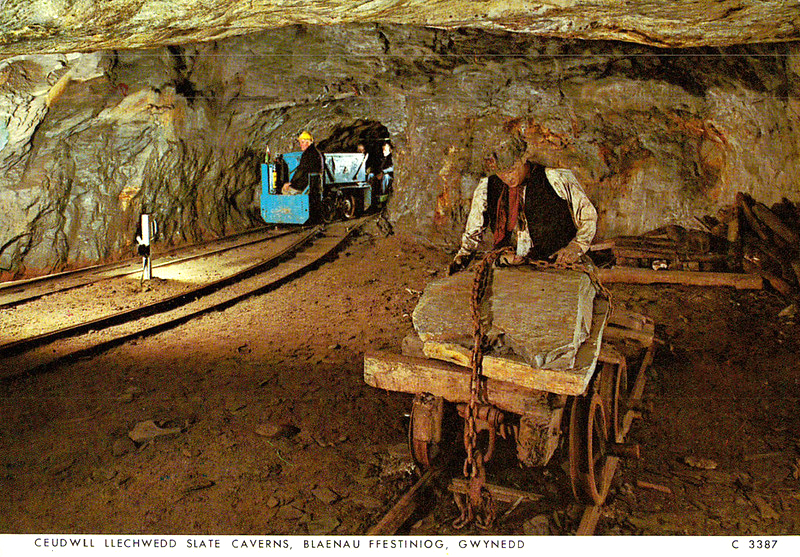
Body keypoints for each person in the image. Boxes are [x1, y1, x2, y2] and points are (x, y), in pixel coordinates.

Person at [449, 134, 597, 274]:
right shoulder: (487, 187)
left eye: (511, 170)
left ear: (523, 159)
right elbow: (473, 233)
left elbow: (588, 215)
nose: (508, 178)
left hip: (556, 264)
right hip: (511, 266)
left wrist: (576, 246)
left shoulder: (554, 178)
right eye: (502, 173)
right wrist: (464, 256)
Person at [281, 131, 323, 195]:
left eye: (302, 142)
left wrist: (291, 183)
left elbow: (300, 171)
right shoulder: (316, 153)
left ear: (308, 142)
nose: (300, 145)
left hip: (305, 185)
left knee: (284, 190)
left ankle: (290, 205)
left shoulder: (307, 154)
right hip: (314, 184)